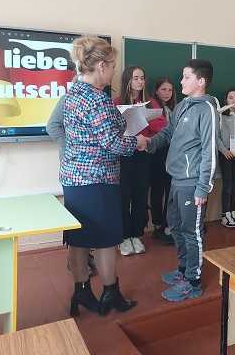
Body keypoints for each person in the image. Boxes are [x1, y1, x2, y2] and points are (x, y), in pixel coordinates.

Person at [61, 35, 144, 317]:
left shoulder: (73, 92)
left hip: (74, 178)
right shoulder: (97, 99)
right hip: (98, 180)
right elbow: (112, 143)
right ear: (100, 66)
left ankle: (82, 291)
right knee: (106, 240)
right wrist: (137, 142)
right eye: (112, 67)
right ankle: (110, 293)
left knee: (79, 238)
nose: (113, 73)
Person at [139, 59, 217, 302]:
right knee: (176, 227)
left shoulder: (207, 109)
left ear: (201, 81)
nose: (181, 81)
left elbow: (210, 150)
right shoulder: (183, 105)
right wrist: (149, 143)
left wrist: (203, 187)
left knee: (192, 232)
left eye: (186, 77)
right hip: (176, 178)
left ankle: (193, 281)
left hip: (192, 183)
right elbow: (168, 132)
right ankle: (184, 270)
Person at [114, 66, 167, 256]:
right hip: (123, 155)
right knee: (123, 195)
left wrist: (144, 120)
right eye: (136, 78)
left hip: (143, 153)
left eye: (142, 78)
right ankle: (123, 237)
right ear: (127, 80)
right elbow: (112, 128)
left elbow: (161, 125)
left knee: (140, 194)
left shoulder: (151, 102)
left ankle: (136, 234)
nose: (140, 81)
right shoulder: (117, 102)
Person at [46, 91, 97, 277]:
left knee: (90, 218)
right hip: (73, 170)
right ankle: (74, 262)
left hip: (93, 170)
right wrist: (70, 146)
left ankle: (86, 256)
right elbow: (52, 126)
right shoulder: (68, 99)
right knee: (76, 217)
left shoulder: (97, 99)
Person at [149, 77, 177, 244]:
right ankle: (157, 223)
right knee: (157, 189)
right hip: (157, 152)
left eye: (170, 90)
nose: (167, 93)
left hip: (172, 153)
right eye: (163, 89)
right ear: (156, 91)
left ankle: (167, 223)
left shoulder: (175, 108)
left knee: (170, 188)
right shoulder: (152, 107)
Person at [217, 88, 235, 228]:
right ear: (225, 100)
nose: (234, 100)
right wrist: (223, 150)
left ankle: (233, 212)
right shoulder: (220, 116)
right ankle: (225, 215)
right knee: (227, 185)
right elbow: (216, 137)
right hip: (226, 154)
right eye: (230, 97)